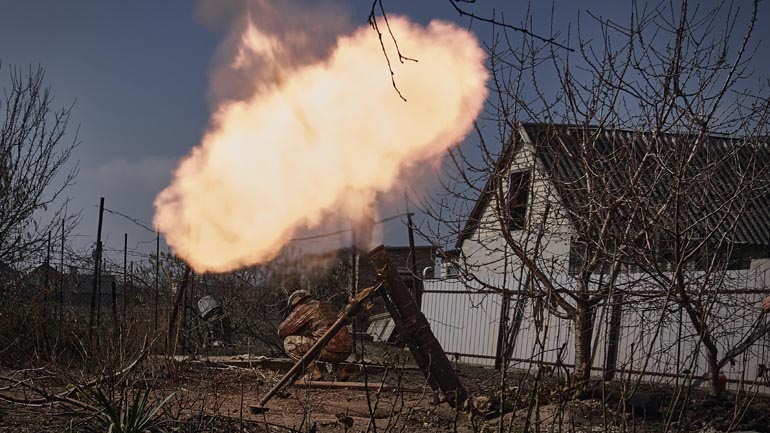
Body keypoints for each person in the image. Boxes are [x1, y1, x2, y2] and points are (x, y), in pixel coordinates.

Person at [278, 289, 352, 381]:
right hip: (346, 351)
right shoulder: (329, 306)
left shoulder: (305, 307)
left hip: (327, 350)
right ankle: (340, 373)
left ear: (296, 303)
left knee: (289, 341)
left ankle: (312, 373)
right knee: (327, 339)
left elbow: (282, 331)